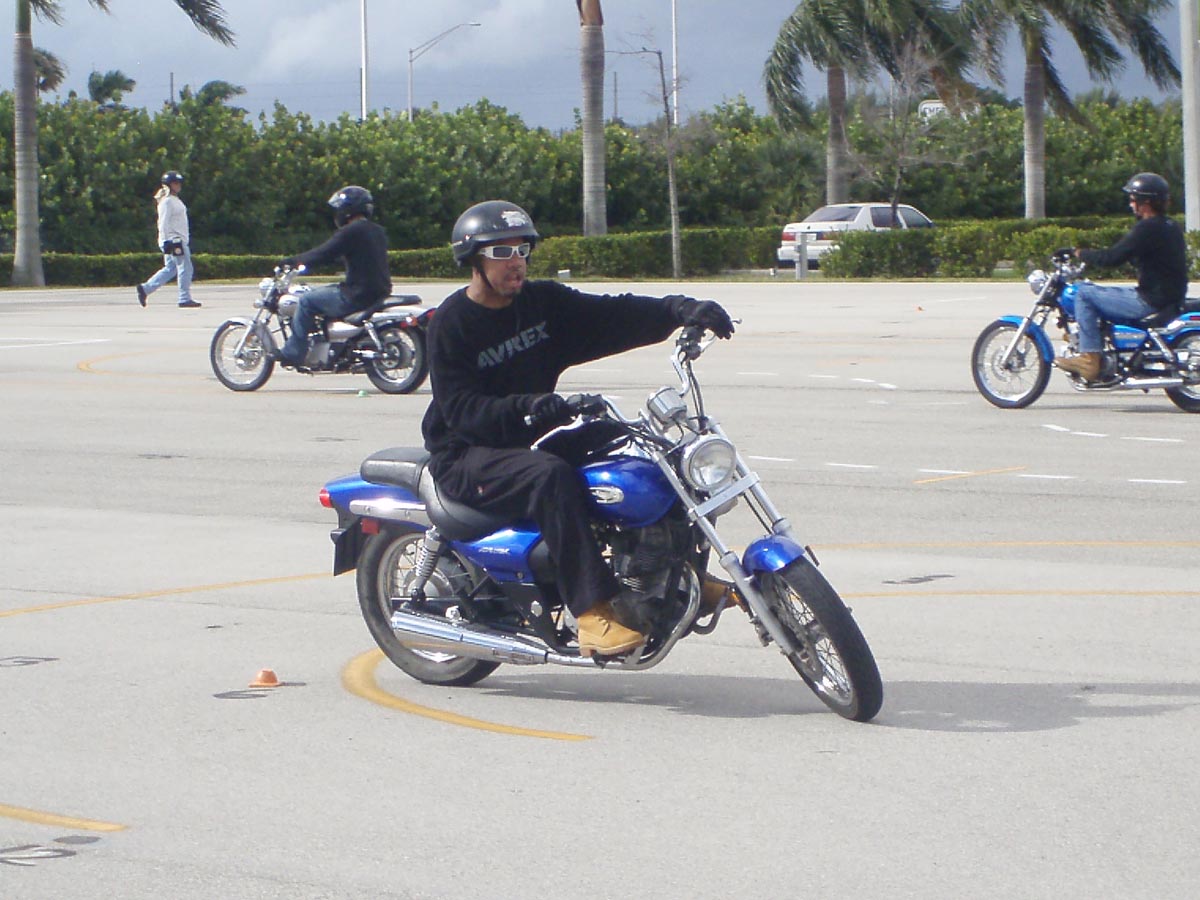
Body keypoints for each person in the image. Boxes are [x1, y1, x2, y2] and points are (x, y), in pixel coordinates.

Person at [421, 199, 736, 657]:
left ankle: (670, 574)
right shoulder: (452, 323)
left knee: (632, 447)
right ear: (474, 260)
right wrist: (531, 407)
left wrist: (679, 309)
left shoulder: (542, 303)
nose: (516, 262)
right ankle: (591, 613)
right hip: (465, 454)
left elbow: (610, 314)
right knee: (549, 476)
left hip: (525, 440)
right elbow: (461, 409)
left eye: (522, 251)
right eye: (502, 253)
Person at [1056, 172, 1188, 382]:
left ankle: (1089, 359)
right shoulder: (1169, 226)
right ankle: (1094, 339)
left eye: (1133, 199)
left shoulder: (1147, 228)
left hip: (1150, 299)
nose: (1131, 204)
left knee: (1083, 293)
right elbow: (1150, 258)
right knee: (1097, 293)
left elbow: (1112, 258)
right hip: (1168, 296)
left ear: (1145, 203)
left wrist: (1079, 253)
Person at [274, 185, 392, 367]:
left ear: (347, 210)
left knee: (306, 301)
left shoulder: (351, 231)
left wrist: (293, 261)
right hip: (379, 291)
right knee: (325, 293)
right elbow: (358, 255)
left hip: (356, 294)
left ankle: (293, 353)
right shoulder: (377, 231)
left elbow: (324, 253)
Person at [136, 171, 200, 309]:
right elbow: (163, 222)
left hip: (177, 239)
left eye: (179, 183)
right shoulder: (167, 201)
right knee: (185, 268)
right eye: (175, 183)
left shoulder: (175, 200)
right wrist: (165, 241)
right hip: (174, 240)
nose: (178, 185)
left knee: (171, 269)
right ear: (169, 185)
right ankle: (184, 298)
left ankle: (146, 288)